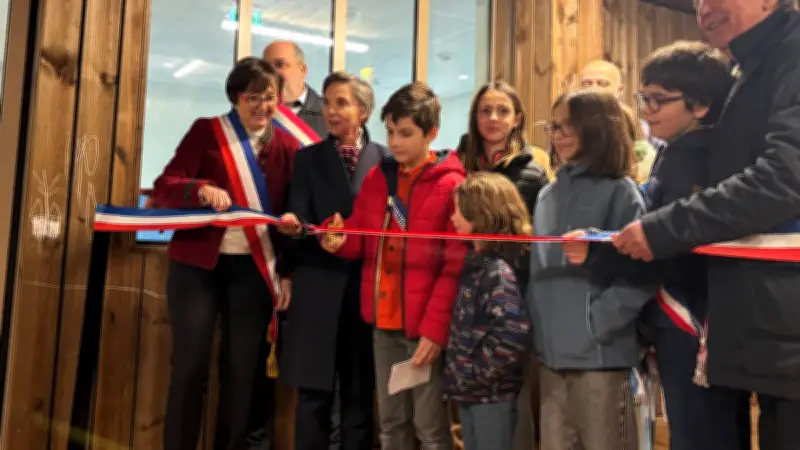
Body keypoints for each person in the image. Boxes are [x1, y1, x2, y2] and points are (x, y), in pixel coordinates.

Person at [613, 1, 800, 448]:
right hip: (763, 323)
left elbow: (785, 178)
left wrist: (662, 229)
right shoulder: (751, 68)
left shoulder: (789, 56)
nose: (703, 8)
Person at [564, 41, 751, 450]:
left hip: (691, 317)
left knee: (700, 432)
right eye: (643, 98)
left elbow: (670, 249)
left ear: (700, 105)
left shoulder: (697, 160)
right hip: (686, 315)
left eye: (659, 100)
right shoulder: (677, 151)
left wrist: (598, 253)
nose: (646, 109)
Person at [151, 57, 299, 450]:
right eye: (253, 97)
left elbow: (292, 212)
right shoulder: (207, 131)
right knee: (190, 366)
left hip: (254, 269)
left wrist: (287, 270)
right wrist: (199, 189)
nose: (262, 106)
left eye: (270, 98)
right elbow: (165, 185)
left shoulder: (288, 147)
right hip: (197, 267)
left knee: (242, 371)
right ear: (236, 97)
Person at [320, 82, 467, 450]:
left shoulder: (451, 185)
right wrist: (337, 238)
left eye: (405, 133)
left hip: (423, 327)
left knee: (430, 428)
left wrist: (435, 331)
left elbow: (454, 267)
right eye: (390, 132)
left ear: (432, 133)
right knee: (390, 424)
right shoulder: (380, 177)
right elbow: (360, 235)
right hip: (383, 323)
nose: (395, 142)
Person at [528, 90, 657, 450]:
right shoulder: (547, 195)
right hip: (550, 358)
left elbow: (641, 274)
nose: (559, 135)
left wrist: (597, 323)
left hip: (601, 359)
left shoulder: (622, 192)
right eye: (554, 127)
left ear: (598, 128)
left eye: (570, 126)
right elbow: (540, 272)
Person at [275, 71, 388, 450]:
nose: (331, 111)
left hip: (364, 289)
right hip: (316, 286)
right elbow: (297, 216)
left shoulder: (386, 160)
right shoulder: (307, 158)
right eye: (327, 103)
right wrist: (296, 227)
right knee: (313, 396)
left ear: (364, 111)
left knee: (359, 394)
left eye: (342, 103)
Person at [454, 80, 547, 450]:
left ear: (517, 118)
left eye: (502, 110)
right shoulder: (458, 162)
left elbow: (536, 239)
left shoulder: (533, 171)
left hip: (511, 289)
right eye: (485, 110)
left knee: (510, 397)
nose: (493, 118)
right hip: (466, 286)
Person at [443, 172, 533, 450]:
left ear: (480, 215)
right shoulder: (476, 264)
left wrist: (476, 373)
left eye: (460, 211)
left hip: (491, 396)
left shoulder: (497, 272)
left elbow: (511, 334)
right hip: (472, 393)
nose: (453, 217)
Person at [579, 60, 659, 182]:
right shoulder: (568, 122)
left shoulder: (631, 122)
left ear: (620, 90)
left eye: (603, 84)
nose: (594, 89)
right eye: (586, 84)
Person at [263, 40, 327, 138]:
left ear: (302, 70)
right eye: (266, 67)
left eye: (280, 64)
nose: (272, 72)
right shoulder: (253, 112)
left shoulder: (330, 114)